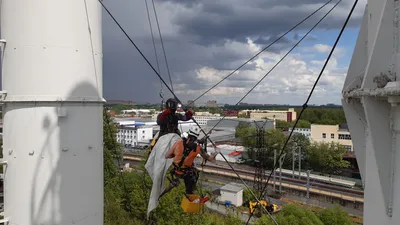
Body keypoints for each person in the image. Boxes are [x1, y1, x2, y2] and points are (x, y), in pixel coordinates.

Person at [165, 128, 219, 195]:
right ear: (196, 138)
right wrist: (216, 152)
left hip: (175, 171)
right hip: (186, 174)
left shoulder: (178, 143)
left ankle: (177, 184)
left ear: (188, 135)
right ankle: (190, 192)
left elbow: (167, 156)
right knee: (194, 173)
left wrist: (177, 155)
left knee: (191, 169)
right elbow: (210, 159)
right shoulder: (198, 148)